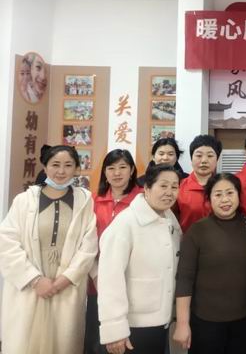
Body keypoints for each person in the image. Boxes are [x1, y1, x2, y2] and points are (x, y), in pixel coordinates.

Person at [0, 145, 98, 354]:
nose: (61, 171)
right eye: (55, 165)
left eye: (68, 165)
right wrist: (35, 280)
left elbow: (88, 247)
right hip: (29, 286)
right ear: (45, 167)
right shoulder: (24, 201)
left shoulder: (84, 200)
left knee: (63, 342)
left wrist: (64, 280)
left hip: (67, 286)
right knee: (24, 342)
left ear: (76, 168)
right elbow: (6, 242)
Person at [98, 164, 182, 354]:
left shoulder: (170, 219)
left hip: (162, 321)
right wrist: (115, 329)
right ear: (147, 188)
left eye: (174, 187)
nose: (169, 192)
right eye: (163, 185)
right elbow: (110, 279)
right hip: (133, 325)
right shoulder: (126, 223)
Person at [174, 173, 246, 353]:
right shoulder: (197, 230)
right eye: (218, 194)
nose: (225, 200)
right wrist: (182, 323)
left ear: (239, 195)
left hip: (244, 322)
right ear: (209, 199)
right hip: (205, 323)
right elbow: (184, 279)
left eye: (230, 193)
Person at [85, 149, 141, 354]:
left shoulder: (142, 200)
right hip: (97, 282)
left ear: (132, 170)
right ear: (105, 172)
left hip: (133, 282)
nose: (117, 173)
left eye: (123, 167)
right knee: (98, 340)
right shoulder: (93, 200)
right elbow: (86, 242)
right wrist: (96, 274)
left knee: (131, 341)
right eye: (111, 168)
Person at [175, 134, 222, 232]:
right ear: (191, 158)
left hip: (219, 240)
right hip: (187, 239)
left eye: (210, 156)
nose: (204, 160)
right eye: (199, 155)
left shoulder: (224, 186)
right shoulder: (179, 187)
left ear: (217, 159)